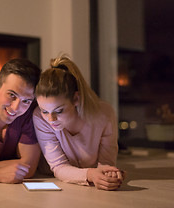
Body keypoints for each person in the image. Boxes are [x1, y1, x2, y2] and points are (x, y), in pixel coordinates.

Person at [33, 54, 125, 190]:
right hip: (49, 176)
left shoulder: (104, 114)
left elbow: (106, 163)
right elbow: (59, 167)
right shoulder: (39, 118)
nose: (51, 119)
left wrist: (108, 174)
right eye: (44, 111)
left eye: (59, 111)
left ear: (76, 99)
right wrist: (91, 174)